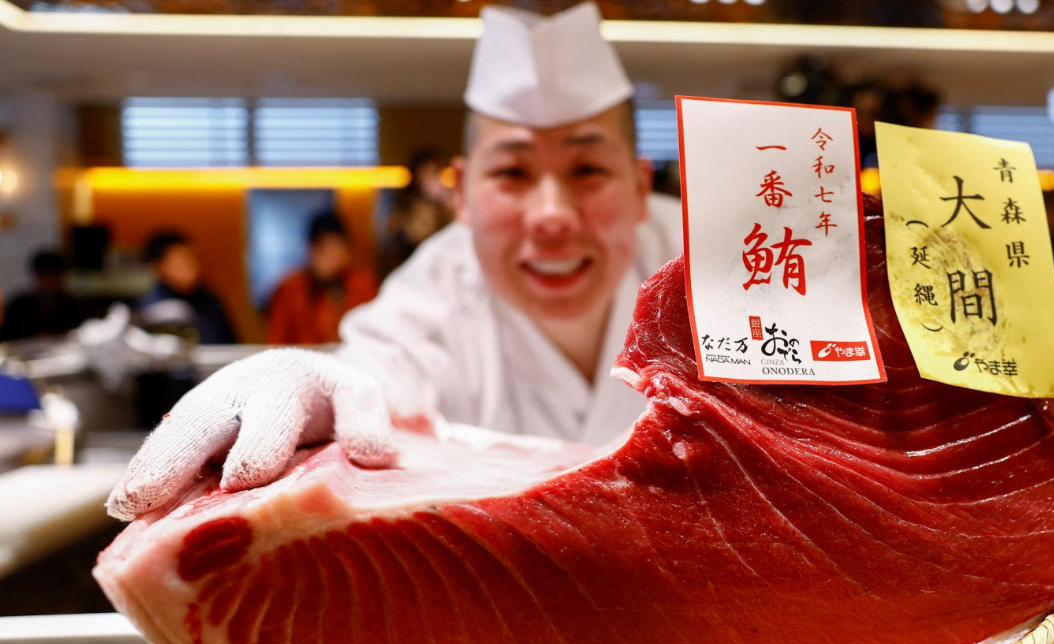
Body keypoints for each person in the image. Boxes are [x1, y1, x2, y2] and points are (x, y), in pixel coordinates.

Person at [106, 2, 683, 521]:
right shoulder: (436, 284)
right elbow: (375, 377)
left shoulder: (709, 257)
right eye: (512, 172)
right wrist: (311, 388)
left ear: (638, 186)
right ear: (460, 193)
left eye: (588, 170)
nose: (552, 216)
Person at [266, 211, 379, 345]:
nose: (334, 257)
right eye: (327, 248)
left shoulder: (363, 284)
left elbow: (375, 332)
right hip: (302, 363)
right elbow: (277, 340)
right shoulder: (290, 289)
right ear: (311, 249)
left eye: (339, 247)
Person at [137, 231, 236, 344]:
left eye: (194, 259)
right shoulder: (149, 307)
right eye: (184, 260)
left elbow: (230, 343)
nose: (194, 267)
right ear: (159, 266)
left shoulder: (209, 300)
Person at [379, 148, 456, 275]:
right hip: (412, 276)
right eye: (433, 173)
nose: (440, 181)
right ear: (419, 178)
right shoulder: (407, 209)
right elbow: (422, 241)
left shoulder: (444, 206)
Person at [0, 250, 88, 342]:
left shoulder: (72, 303)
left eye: (53, 277)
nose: (49, 283)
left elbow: (82, 331)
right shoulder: (19, 304)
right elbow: (7, 335)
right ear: (36, 276)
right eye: (44, 277)